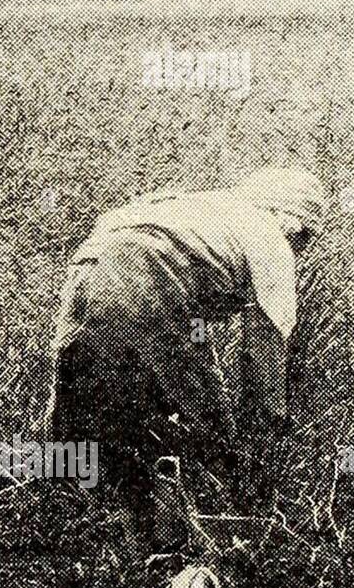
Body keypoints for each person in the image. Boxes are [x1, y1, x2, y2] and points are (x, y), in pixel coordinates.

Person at [41, 166, 326, 554]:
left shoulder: (201, 211)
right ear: (292, 223)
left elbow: (191, 326)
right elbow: (264, 352)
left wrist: (204, 373)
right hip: (150, 270)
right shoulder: (269, 235)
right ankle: (228, 541)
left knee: (84, 420)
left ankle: (63, 530)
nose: (300, 249)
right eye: (304, 238)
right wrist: (255, 441)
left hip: (90, 268)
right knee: (207, 428)